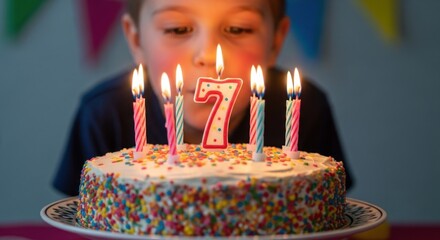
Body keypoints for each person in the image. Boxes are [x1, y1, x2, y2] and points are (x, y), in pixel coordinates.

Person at [53, 0, 354, 196]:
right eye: (178, 28)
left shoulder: (304, 110)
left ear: (276, 40)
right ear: (136, 40)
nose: (208, 54)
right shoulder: (104, 114)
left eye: (238, 28)